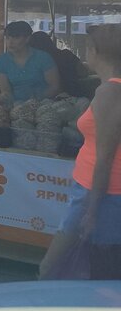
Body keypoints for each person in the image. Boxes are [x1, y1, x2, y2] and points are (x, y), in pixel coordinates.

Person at [40, 25, 121, 280]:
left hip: (101, 193)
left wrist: (91, 209)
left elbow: (105, 157)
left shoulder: (109, 92)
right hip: (98, 191)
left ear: (95, 51)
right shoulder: (109, 89)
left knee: (51, 268)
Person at [0, 21, 61, 102]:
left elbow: (54, 87)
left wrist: (36, 99)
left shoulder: (43, 58)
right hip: (15, 107)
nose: (10, 42)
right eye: (8, 38)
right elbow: (6, 92)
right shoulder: (1, 61)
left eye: (16, 37)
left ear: (27, 38)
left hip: (44, 105)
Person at [29, 31, 92, 98]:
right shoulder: (67, 55)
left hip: (48, 98)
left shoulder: (35, 61)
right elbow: (83, 73)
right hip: (75, 94)